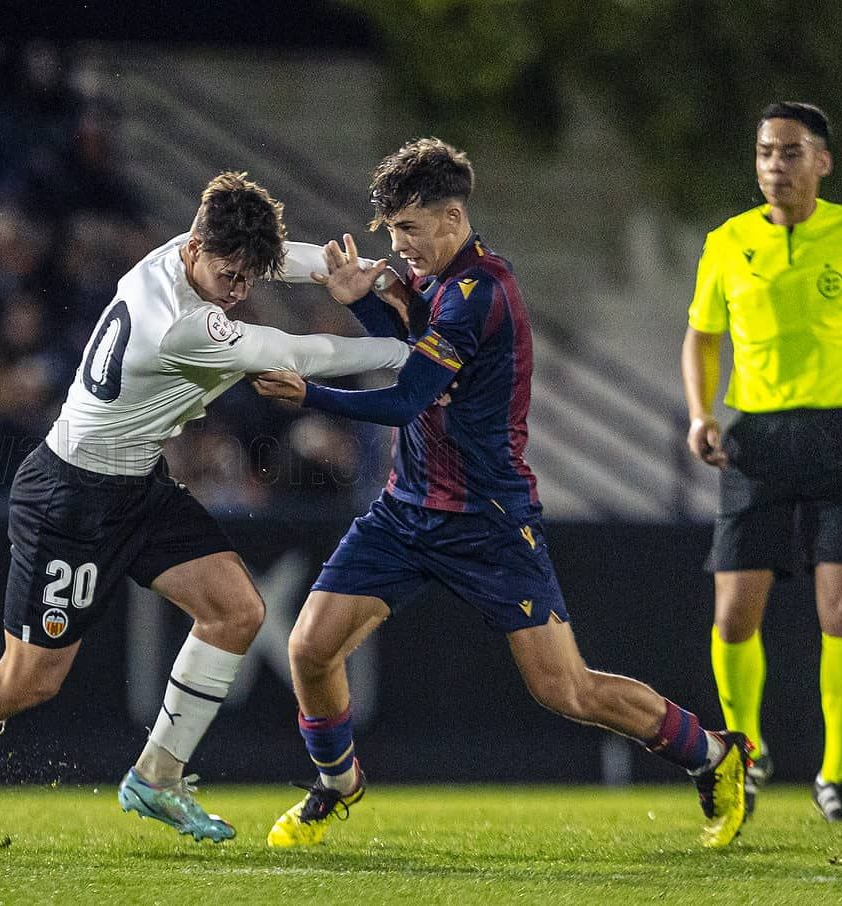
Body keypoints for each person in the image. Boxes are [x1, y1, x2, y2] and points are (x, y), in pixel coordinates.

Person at [0, 172, 411, 846]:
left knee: (236, 610)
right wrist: (404, 353)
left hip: (137, 482)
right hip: (71, 496)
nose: (240, 291)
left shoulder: (184, 254)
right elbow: (297, 355)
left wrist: (367, 275)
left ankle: (158, 776)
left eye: (248, 277)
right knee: (28, 680)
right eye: (230, 274)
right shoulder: (183, 325)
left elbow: (290, 258)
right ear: (198, 249)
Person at [253, 138, 751, 849]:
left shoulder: (479, 295)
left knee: (566, 690)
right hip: (407, 510)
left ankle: (713, 753)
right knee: (308, 648)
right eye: (392, 233)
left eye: (410, 230)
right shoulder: (434, 285)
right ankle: (337, 783)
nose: (401, 247)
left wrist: (308, 394)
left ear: (452, 217)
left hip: (486, 522)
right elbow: (407, 351)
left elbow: (403, 400)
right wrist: (365, 303)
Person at [681, 102, 842, 822]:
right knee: (732, 618)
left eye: (790, 153)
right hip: (753, 443)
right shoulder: (727, 243)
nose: (774, 166)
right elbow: (700, 337)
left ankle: (838, 778)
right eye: (765, 153)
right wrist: (700, 414)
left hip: (837, 440)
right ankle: (745, 758)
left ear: (822, 162)